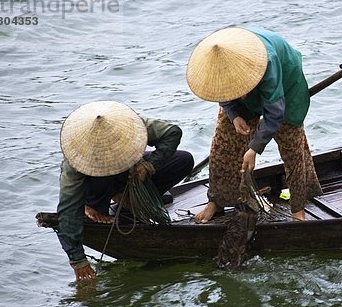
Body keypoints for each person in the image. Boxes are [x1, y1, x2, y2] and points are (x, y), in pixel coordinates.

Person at [186, 27, 322, 223]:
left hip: (286, 87)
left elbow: (275, 113)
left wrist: (254, 148)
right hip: (243, 93)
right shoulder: (218, 67)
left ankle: (298, 208)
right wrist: (233, 115)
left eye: (242, 89)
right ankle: (217, 200)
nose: (241, 94)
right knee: (223, 145)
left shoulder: (268, 61)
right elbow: (220, 93)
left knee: (292, 147)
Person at [56, 101, 194, 281]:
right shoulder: (75, 160)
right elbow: (67, 209)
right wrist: (78, 260)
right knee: (100, 179)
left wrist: (149, 165)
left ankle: (127, 196)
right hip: (98, 182)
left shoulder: (131, 125)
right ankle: (93, 207)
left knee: (184, 160)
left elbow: (172, 132)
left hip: (130, 170)